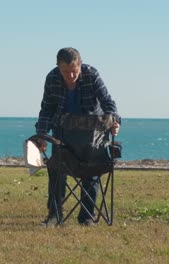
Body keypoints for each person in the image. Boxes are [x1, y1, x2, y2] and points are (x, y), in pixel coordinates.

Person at [35, 47, 121, 227]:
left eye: (74, 71)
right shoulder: (52, 79)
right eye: (65, 72)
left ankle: (87, 217)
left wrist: (114, 121)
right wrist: (41, 135)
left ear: (80, 66)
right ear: (58, 67)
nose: (71, 76)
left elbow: (108, 102)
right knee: (57, 169)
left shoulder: (91, 75)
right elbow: (47, 110)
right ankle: (54, 214)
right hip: (63, 133)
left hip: (92, 135)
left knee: (91, 172)